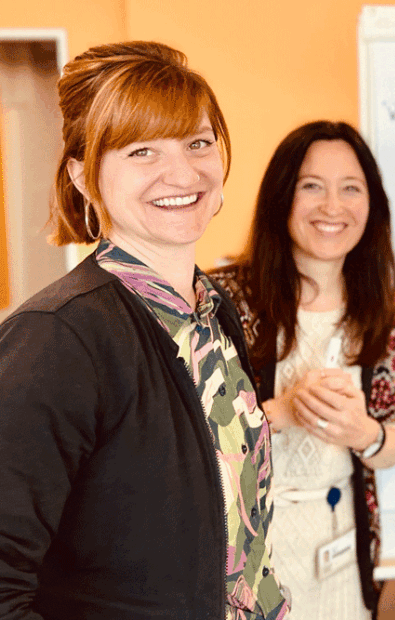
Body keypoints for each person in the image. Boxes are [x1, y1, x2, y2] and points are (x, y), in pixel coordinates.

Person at [0, 42, 288, 620]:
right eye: (141, 151)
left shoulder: (214, 312)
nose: (183, 172)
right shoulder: (56, 339)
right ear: (83, 177)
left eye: (198, 142)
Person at [211, 120, 395, 620]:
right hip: (245, 559)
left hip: (343, 550)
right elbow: (189, 441)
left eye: (351, 188)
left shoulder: (384, 311)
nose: (333, 207)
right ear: (281, 197)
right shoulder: (224, 301)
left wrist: (362, 433)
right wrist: (280, 412)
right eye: (312, 187)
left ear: (372, 206)